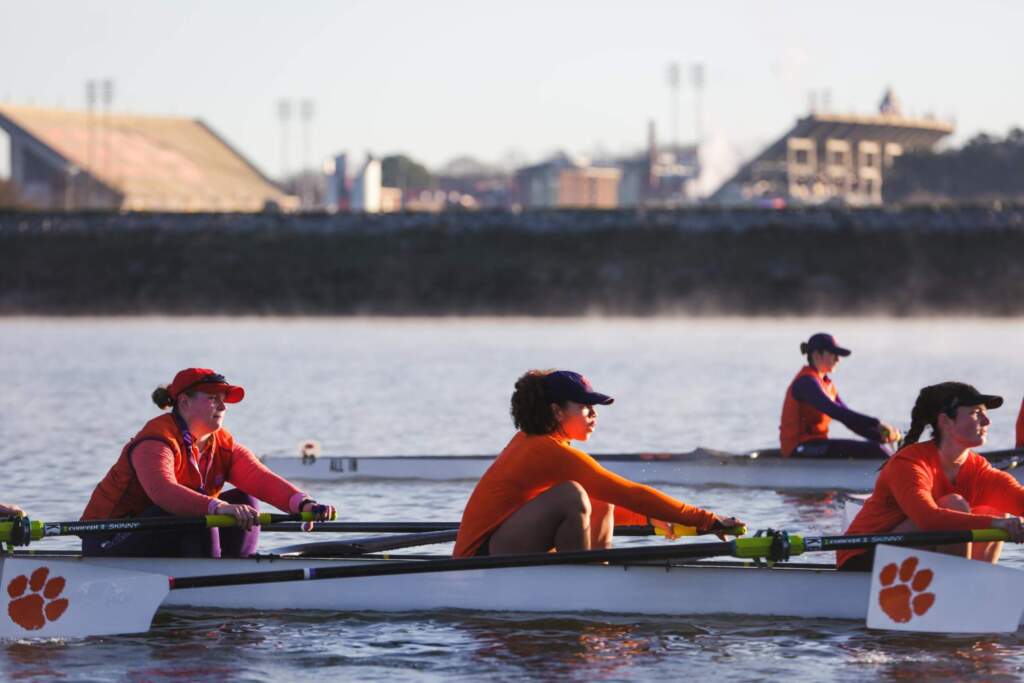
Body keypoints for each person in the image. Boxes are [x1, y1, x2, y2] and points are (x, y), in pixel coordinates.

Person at [452, 370, 744, 557]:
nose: (594, 414)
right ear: (556, 411)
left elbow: (619, 499)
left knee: (599, 499)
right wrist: (705, 518)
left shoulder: (539, 442)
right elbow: (632, 493)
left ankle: (596, 574)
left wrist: (649, 518)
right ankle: (583, 582)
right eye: (585, 407)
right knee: (572, 495)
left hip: (507, 544)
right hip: (478, 558)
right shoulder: (544, 450)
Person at [81, 368, 335, 558]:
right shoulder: (156, 441)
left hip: (168, 534)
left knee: (245, 501)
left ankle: (236, 571)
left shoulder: (222, 444)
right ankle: (214, 583)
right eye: (213, 398)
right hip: (109, 539)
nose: (223, 406)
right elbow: (163, 492)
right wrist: (218, 507)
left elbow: (260, 479)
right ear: (184, 402)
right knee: (203, 513)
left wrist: (302, 503)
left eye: (224, 398)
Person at [837, 382, 1024, 571]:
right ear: (945, 422)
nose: (987, 421)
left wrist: (1004, 522)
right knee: (955, 505)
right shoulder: (909, 463)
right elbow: (928, 518)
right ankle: (959, 587)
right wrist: (996, 524)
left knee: (995, 510)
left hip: (907, 557)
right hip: (862, 558)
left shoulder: (978, 469)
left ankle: (975, 582)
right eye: (976, 413)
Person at [779, 332, 900, 458]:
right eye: (832, 354)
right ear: (816, 355)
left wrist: (879, 436)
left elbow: (848, 419)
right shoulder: (806, 383)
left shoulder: (826, 385)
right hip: (799, 448)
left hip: (815, 445)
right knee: (876, 450)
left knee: (878, 446)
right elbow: (835, 411)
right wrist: (876, 423)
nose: (838, 359)